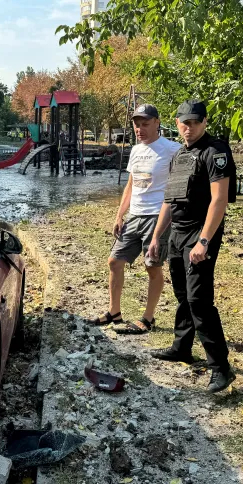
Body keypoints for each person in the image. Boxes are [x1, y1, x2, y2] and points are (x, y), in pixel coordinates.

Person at [149, 99, 237, 393]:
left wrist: (204, 240)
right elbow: (169, 201)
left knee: (199, 299)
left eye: (195, 122)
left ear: (204, 122)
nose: (189, 128)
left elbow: (219, 199)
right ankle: (182, 347)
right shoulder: (179, 156)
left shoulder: (216, 151)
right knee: (182, 295)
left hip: (201, 233)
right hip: (177, 233)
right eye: (184, 122)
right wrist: (156, 237)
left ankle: (221, 367)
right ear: (177, 123)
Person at [88, 104, 182, 334]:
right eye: (136, 124)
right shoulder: (136, 150)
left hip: (156, 216)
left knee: (152, 267)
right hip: (134, 215)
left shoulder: (172, 149)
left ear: (157, 123)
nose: (140, 129)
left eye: (145, 124)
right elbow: (131, 184)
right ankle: (114, 312)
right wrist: (120, 214)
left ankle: (148, 318)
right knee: (114, 261)